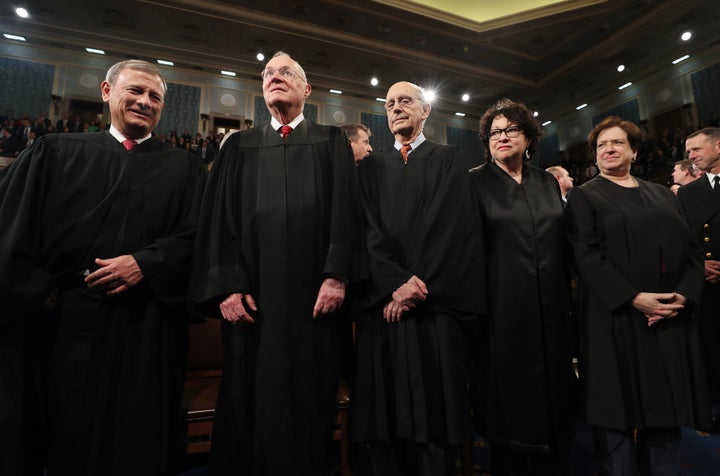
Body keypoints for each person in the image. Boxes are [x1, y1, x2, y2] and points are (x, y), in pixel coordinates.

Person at [0, 59, 206, 476]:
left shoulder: (185, 169)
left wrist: (147, 263)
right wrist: (45, 292)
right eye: (135, 91)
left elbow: (200, 237)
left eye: (155, 97)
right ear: (107, 91)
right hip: (68, 324)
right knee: (66, 433)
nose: (144, 102)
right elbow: (13, 229)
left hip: (149, 324)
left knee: (139, 437)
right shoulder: (55, 152)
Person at [189, 51, 363, 476]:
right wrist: (227, 286)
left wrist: (337, 276)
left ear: (307, 90)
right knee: (251, 391)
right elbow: (219, 220)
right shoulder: (238, 147)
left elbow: (346, 211)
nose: (274, 77)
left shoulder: (331, 141)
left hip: (315, 301)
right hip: (253, 301)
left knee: (310, 393)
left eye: (286, 72)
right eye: (268, 73)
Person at [349, 81, 485, 476]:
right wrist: (393, 283)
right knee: (383, 416)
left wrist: (413, 288)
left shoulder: (448, 158)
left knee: (435, 418)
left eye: (405, 101)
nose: (396, 108)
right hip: (383, 308)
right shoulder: (370, 168)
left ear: (425, 111)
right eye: (389, 104)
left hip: (433, 305)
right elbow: (365, 231)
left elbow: (451, 227)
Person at [566, 116, 710, 475]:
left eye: (616, 143)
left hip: (667, 322)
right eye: (601, 145)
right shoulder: (586, 196)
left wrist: (683, 297)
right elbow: (585, 256)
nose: (608, 149)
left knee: (664, 422)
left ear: (633, 150)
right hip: (615, 322)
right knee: (616, 425)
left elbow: (692, 254)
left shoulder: (662, 194)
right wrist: (633, 297)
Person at [469, 98, 576, 475]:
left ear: (528, 137)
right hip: (502, 311)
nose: (502, 137)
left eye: (511, 130)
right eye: (495, 132)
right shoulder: (474, 182)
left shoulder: (547, 181)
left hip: (553, 309)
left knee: (555, 399)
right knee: (508, 410)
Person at [677, 127, 720, 429]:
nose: (690, 156)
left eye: (696, 149)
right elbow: (680, 240)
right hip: (709, 289)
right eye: (688, 151)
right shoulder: (689, 193)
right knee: (714, 351)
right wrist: (698, 267)